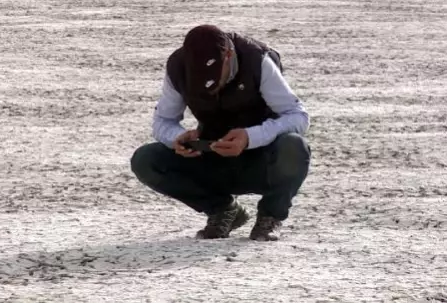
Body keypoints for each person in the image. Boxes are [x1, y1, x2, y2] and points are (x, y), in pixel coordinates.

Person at [130, 25, 311, 241]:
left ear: (229, 55)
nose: (211, 87)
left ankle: (270, 217)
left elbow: (298, 116)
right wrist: (176, 138)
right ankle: (224, 210)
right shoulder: (178, 67)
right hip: (212, 158)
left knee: (294, 147)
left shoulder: (258, 60)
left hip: (262, 161)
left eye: (216, 78)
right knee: (146, 160)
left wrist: (250, 137)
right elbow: (163, 121)